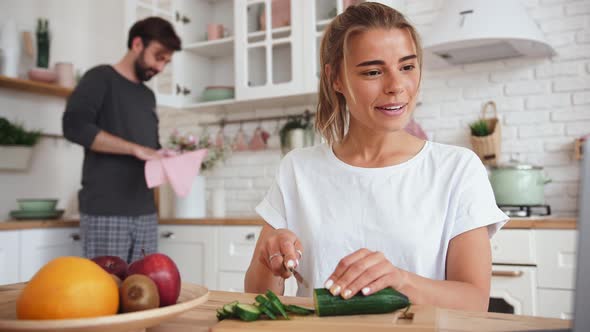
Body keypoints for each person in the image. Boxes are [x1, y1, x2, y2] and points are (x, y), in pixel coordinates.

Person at [244, 2, 508, 311]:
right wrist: (269, 257)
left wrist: (400, 281)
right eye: (373, 71)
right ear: (336, 79)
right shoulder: (298, 169)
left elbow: (474, 302)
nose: (396, 86)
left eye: (407, 67)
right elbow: (257, 297)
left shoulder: (457, 169)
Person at [62, 17, 181, 263]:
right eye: (158, 57)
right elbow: (74, 126)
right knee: (104, 292)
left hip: (146, 213)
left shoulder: (148, 96)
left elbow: (151, 147)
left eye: (166, 62)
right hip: (106, 212)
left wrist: (168, 157)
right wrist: (134, 149)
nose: (160, 68)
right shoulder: (99, 78)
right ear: (137, 44)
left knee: (146, 294)